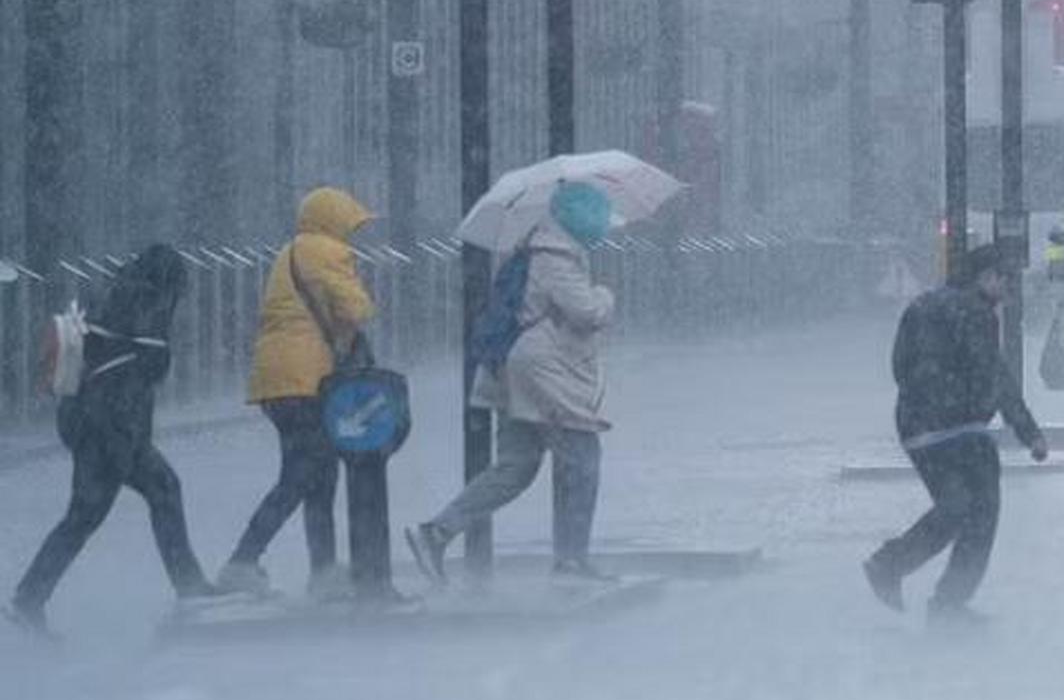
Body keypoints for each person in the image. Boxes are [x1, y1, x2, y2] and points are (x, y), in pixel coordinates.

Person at [407, 182, 618, 583]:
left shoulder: (535, 249)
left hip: (515, 368)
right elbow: (587, 312)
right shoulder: (556, 256)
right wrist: (605, 294)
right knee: (582, 454)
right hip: (543, 369)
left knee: (516, 467)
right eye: (599, 215)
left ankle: (436, 532)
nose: (604, 223)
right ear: (579, 217)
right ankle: (571, 561)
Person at [8, 246, 223, 633]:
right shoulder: (146, 302)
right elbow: (144, 367)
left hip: (99, 424)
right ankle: (30, 596)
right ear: (169, 282)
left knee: (130, 500)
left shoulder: (118, 292)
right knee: (117, 504)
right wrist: (122, 443)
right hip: (111, 430)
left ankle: (30, 596)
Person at [863, 245, 1049, 626]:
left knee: (955, 508)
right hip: (961, 429)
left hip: (917, 428)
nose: (1010, 289)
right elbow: (996, 378)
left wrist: (921, 399)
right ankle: (945, 602)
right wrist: (1028, 432)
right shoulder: (976, 314)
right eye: (1007, 279)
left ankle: (892, 565)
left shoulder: (923, 305)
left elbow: (899, 365)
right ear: (986, 277)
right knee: (981, 513)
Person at [217, 186, 377, 597]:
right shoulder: (327, 252)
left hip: (278, 379)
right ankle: (243, 560)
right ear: (333, 221)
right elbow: (358, 309)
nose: (350, 236)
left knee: (318, 475)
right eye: (348, 226)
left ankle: (323, 571)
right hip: (306, 378)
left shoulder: (290, 251)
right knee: (301, 476)